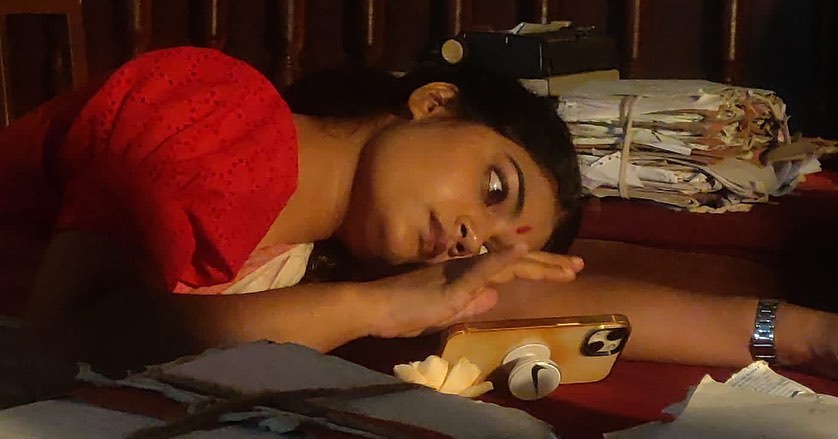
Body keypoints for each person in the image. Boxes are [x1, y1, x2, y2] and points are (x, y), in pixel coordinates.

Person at [0, 46, 835, 382]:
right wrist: (377, 305)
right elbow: (72, 335)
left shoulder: (320, 257)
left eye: (490, 242)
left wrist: (800, 333)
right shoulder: (224, 108)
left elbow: (572, 304)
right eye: (495, 188)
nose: (471, 235)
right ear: (434, 103)